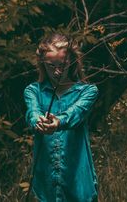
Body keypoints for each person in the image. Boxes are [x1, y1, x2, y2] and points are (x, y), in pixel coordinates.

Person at [23, 33, 99, 202]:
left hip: (78, 180)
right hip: (45, 180)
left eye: (62, 65)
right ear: (43, 64)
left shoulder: (87, 91)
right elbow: (32, 112)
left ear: (71, 62)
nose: (57, 72)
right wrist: (38, 122)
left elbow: (76, 112)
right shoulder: (33, 91)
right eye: (51, 66)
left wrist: (58, 122)